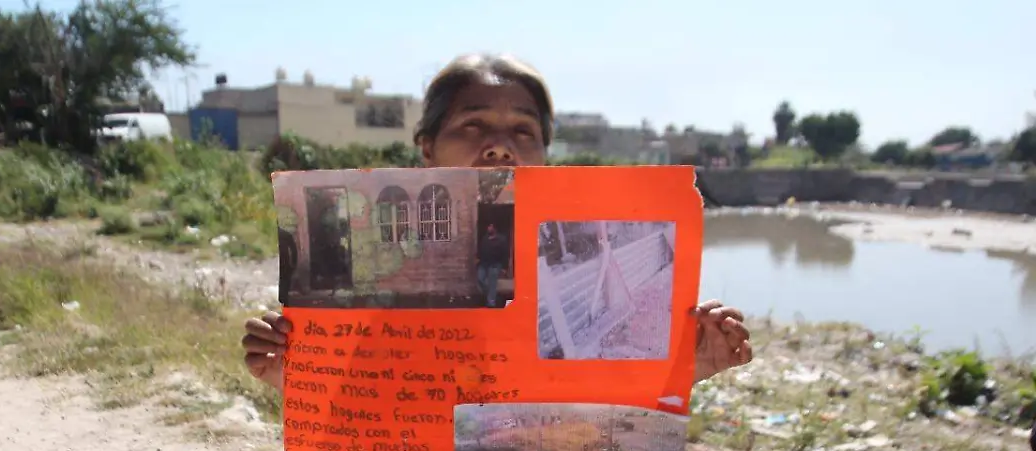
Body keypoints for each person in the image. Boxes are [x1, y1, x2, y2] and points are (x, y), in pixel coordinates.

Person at [243, 53, 753, 391]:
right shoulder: (387, 261)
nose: (499, 145)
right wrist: (298, 372)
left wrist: (689, 366)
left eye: (523, 131)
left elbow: (592, 393)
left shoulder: (568, 256)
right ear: (427, 147)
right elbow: (372, 386)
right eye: (473, 125)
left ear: (545, 154)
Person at [477, 223, 509, 307]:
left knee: (492, 283)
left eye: (490, 226)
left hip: (495, 264)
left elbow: (505, 253)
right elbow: (481, 249)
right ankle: (491, 294)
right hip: (483, 263)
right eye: (488, 226)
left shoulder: (501, 239)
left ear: (494, 228)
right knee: (480, 279)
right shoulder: (485, 238)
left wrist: (504, 267)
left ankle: (491, 303)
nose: (488, 228)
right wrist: (478, 258)